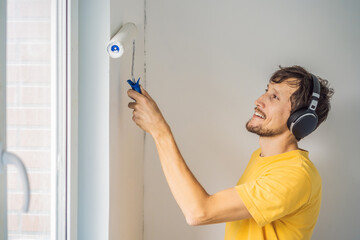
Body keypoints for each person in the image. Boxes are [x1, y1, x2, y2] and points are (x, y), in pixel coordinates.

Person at [127, 65, 334, 240]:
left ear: (301, 120)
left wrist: (160, 130)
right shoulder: (264, 157)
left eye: (274, 97)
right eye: (266, 90)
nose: (259, 100)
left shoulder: (294, 176)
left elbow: (198, 212)